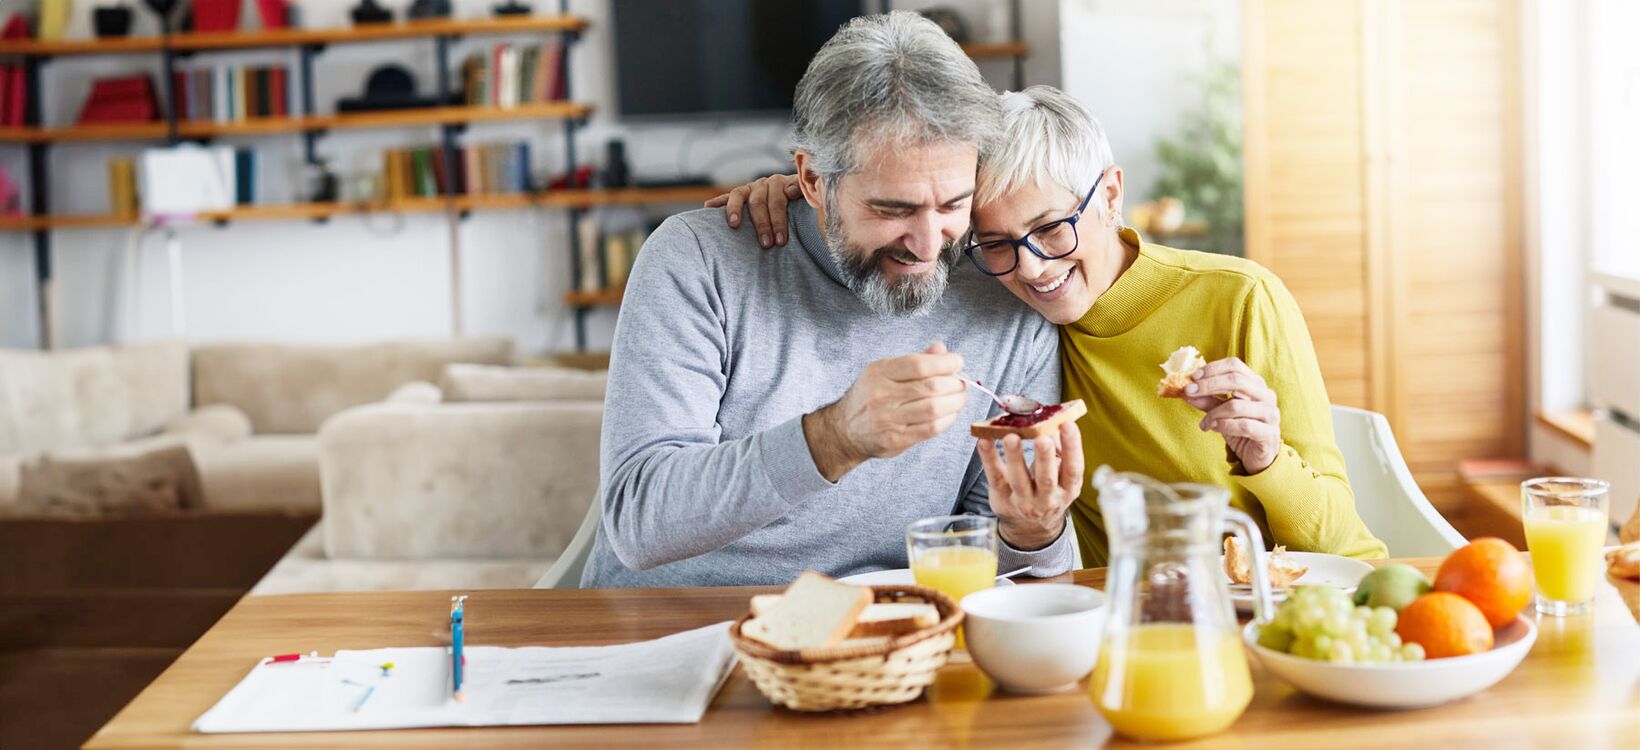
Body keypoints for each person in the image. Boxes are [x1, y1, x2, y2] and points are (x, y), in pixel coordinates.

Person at [712, 86, 1388, 566]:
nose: (1032, 270)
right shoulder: (999, 306)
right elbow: (892, 216)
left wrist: (1268, 461)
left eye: (1052, 229)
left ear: (1112, 193)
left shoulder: (1241, 300)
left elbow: (1348, 547)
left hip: (1248, 614)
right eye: (997, 242)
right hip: (1098, 622)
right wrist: (803, 197)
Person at [579, 14, 1078, 588]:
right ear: (812, 179)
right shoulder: (696, 261)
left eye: (952, 205)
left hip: (885, 642)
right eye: (892, 210)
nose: (926, 244)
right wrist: (835, 437)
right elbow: (640, 520)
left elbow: (992, 563)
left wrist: (1033, 534)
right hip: (671, 629)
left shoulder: (1006, 292)